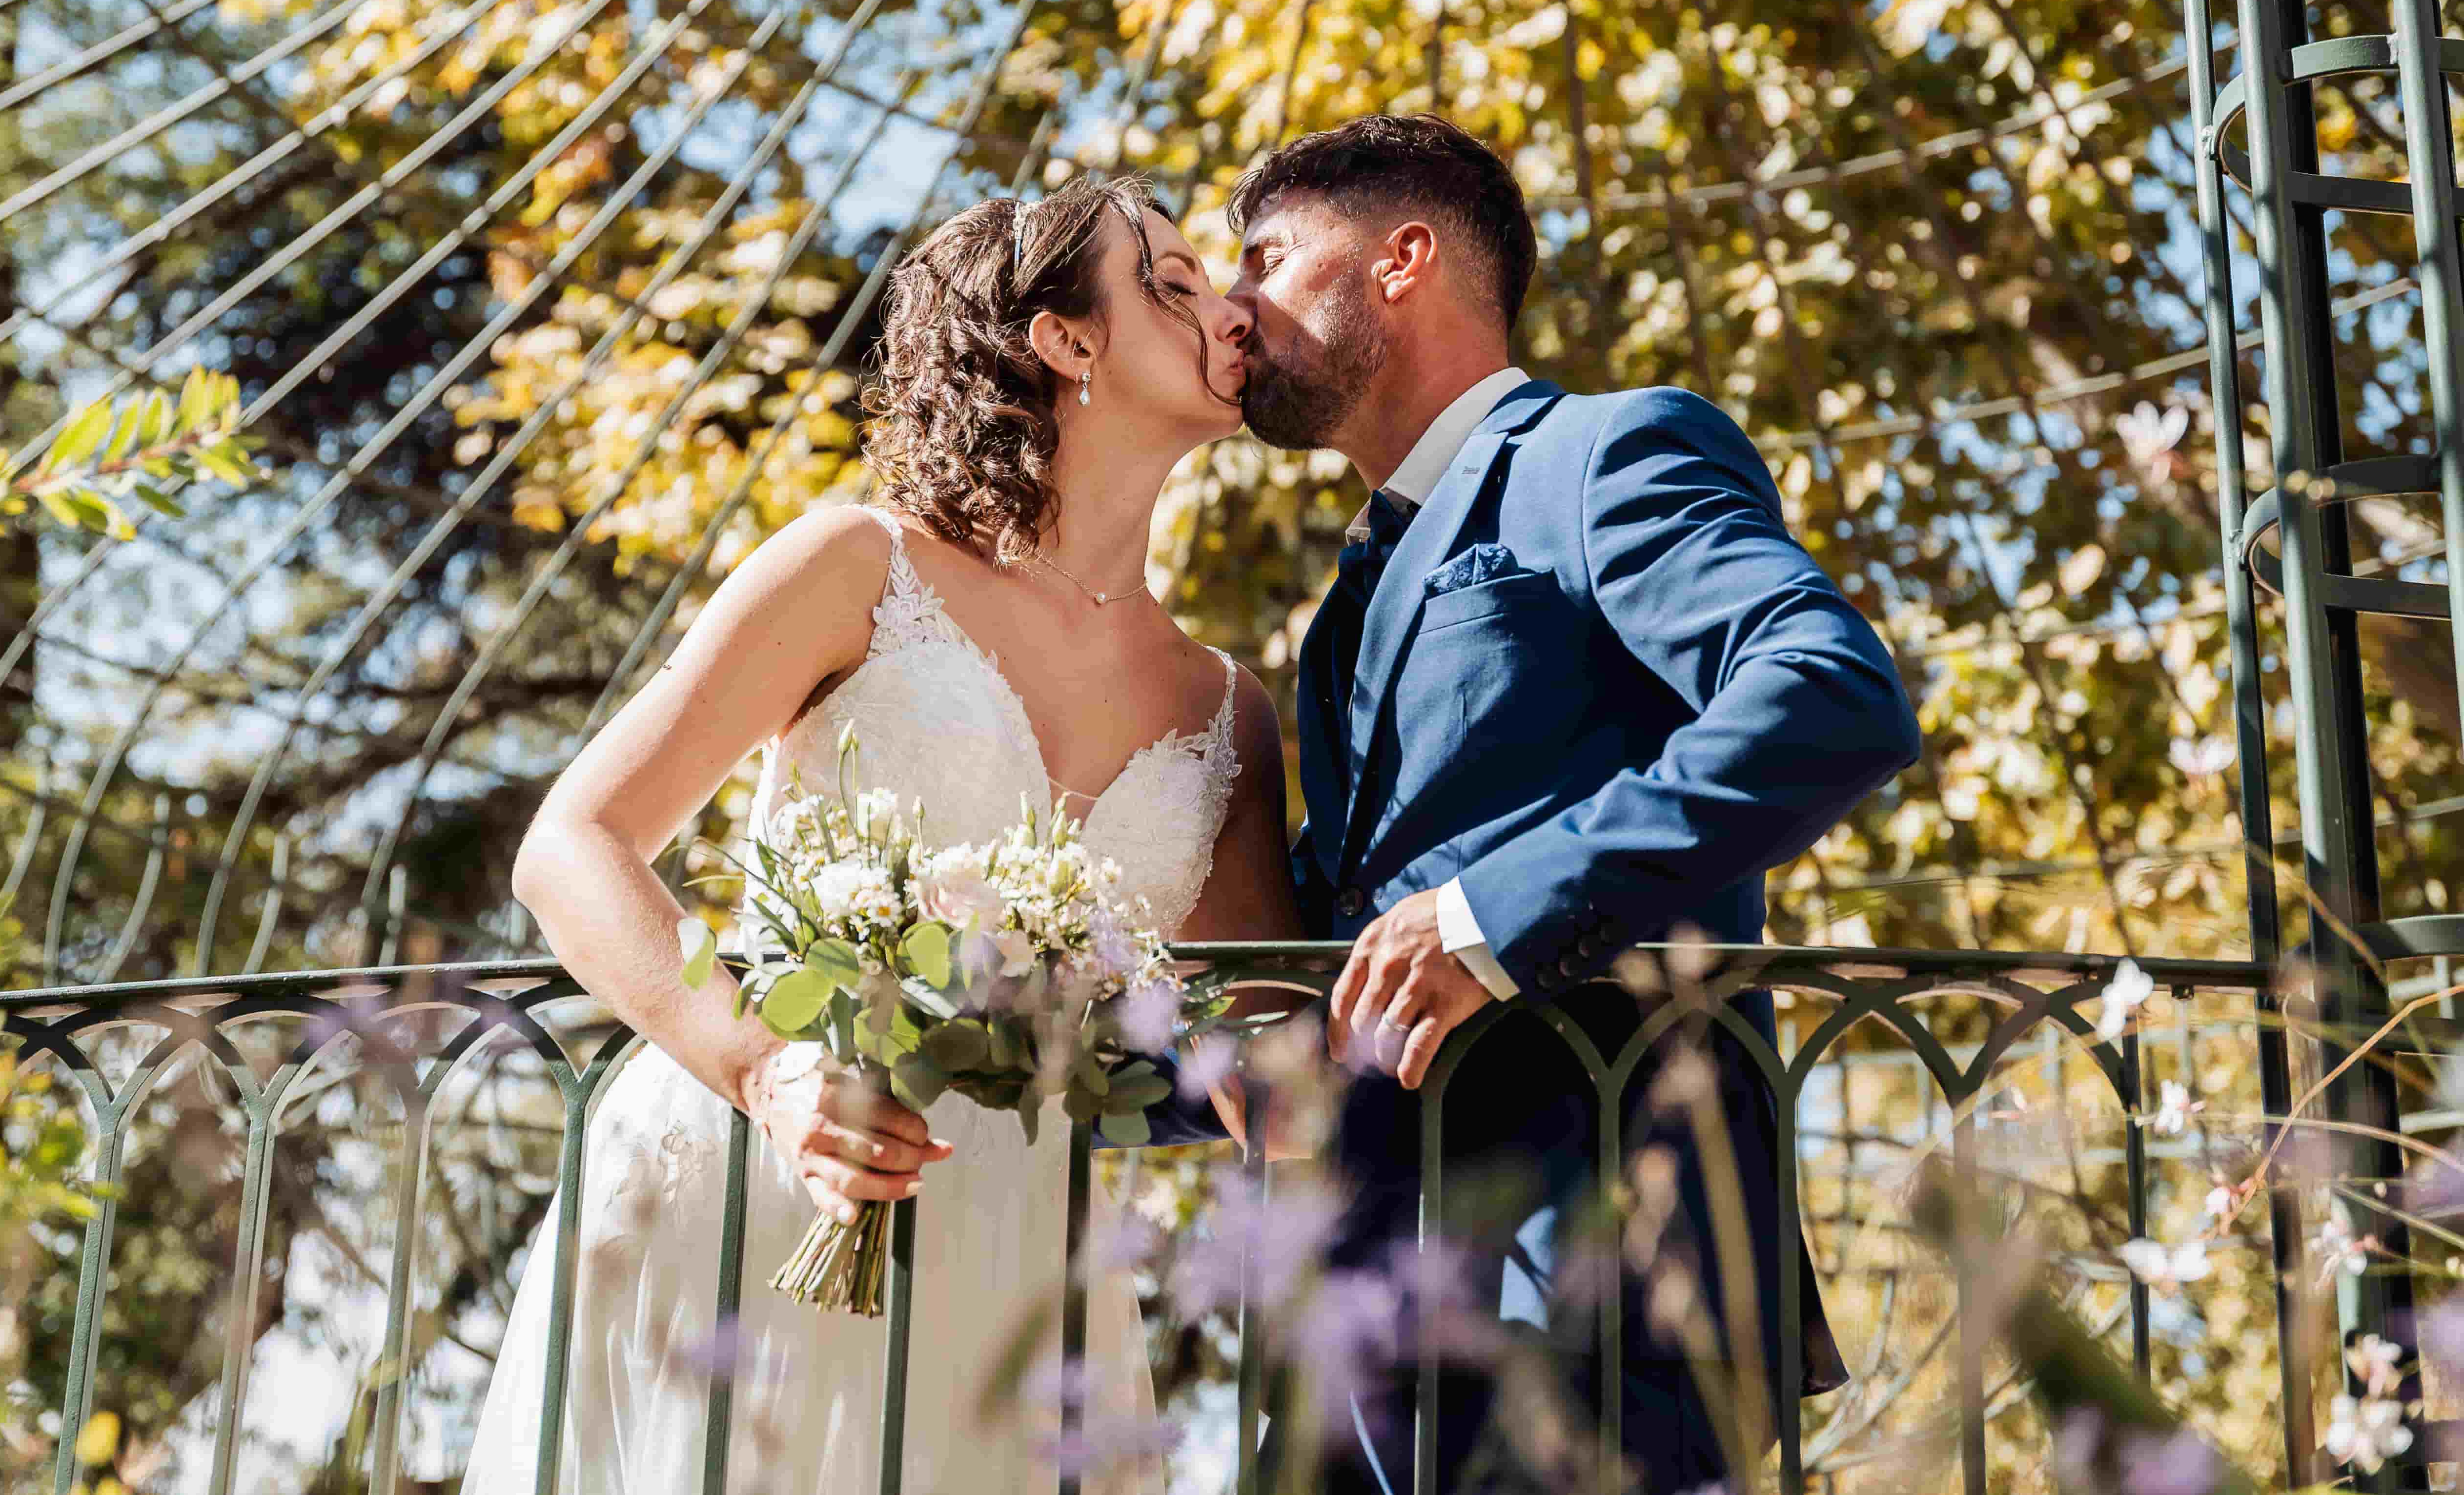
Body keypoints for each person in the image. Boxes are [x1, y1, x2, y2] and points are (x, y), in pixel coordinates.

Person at [464, 177, 1298, 1494]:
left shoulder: (1231, 712)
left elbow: (1263, 1049)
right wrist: (765, 1071)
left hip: (1024, 1260)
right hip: (747, 1199)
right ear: (1067, 339)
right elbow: (574, 842)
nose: (1232, 310)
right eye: (1175, 281)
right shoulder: (858, 566)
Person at [1226, 113, 1920, 1493]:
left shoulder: (1604, 455)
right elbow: (1341, 933)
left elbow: (1831, 690)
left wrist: (1496, 916)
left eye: (1267, 257)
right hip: (1365, 1317)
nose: (1235, 309)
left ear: (1402, 260)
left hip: (1597, 1273)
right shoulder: (1337, 619)